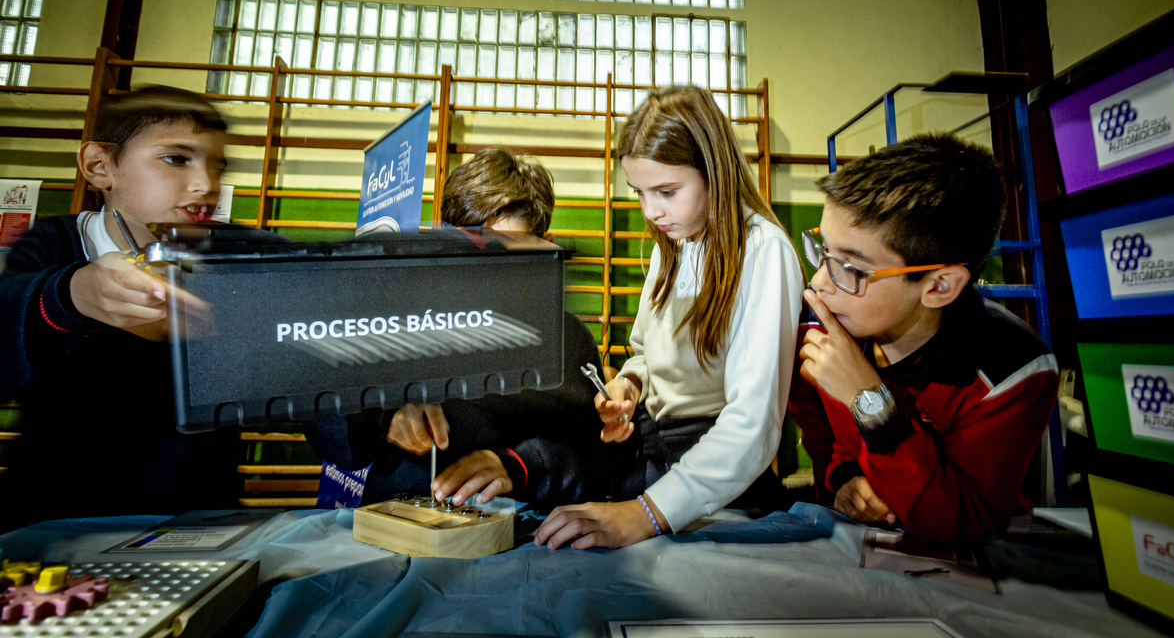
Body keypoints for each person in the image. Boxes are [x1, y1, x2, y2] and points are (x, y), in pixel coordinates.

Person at [534, 86, 803, 550]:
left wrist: (645, 515)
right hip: (653, 456)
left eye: (666, 191)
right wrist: (629, 388)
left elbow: (752, 424)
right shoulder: (674, 242)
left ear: (713, 173)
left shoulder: (762, 249)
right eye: (639, 193)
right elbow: (643, 352)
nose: (651, 211)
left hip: (717, 481)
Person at [0, 86, 269, 529]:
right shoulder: (54, 243)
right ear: (99, 165)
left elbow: (312, 355)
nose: (207, 185)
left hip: (197, 525)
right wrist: (73, 296)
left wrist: (386, 414)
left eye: (217, 166)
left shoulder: (249, 256)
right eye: (176, 158)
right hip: (52, 526)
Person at [304, 147, 613, 508]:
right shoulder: (401, 319)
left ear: (546, 244)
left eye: (508, 252)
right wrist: (385, 416)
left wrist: (518, 466)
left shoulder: (570, 340)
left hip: (527, 534)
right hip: (402, 518)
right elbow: (321, 416)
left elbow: (591, 455)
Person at [790, 132, 1059, 545]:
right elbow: (838, 449)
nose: (819, 282)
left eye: (850, 267)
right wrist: (844, 481)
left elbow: (965, 523)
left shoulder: (1014, 368)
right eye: (823, 251)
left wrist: (871, 402)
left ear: (939, 286)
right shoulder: (829, 329)